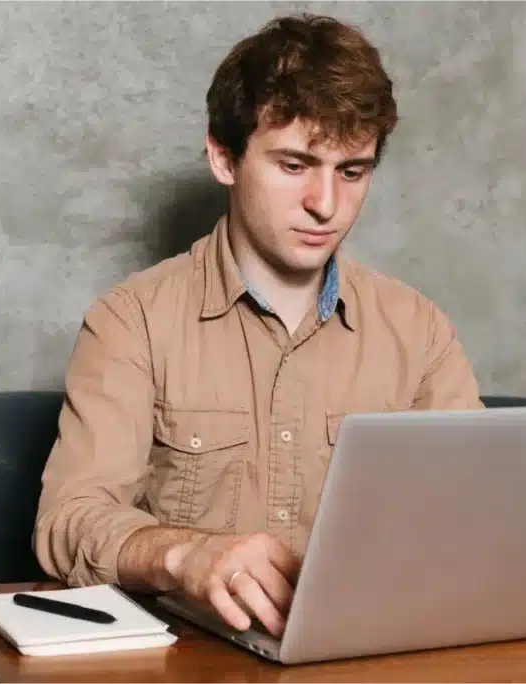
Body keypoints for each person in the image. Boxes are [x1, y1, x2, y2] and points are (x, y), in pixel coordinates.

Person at [33, 12, 483, 640]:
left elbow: (476, 519)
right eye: (295, 165)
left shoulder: (420, 330)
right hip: (190, 661)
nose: (326, 204)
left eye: (352, 171)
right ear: (224, 156)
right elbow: (67, 520)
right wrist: (184, 555)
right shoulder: (131, 320)